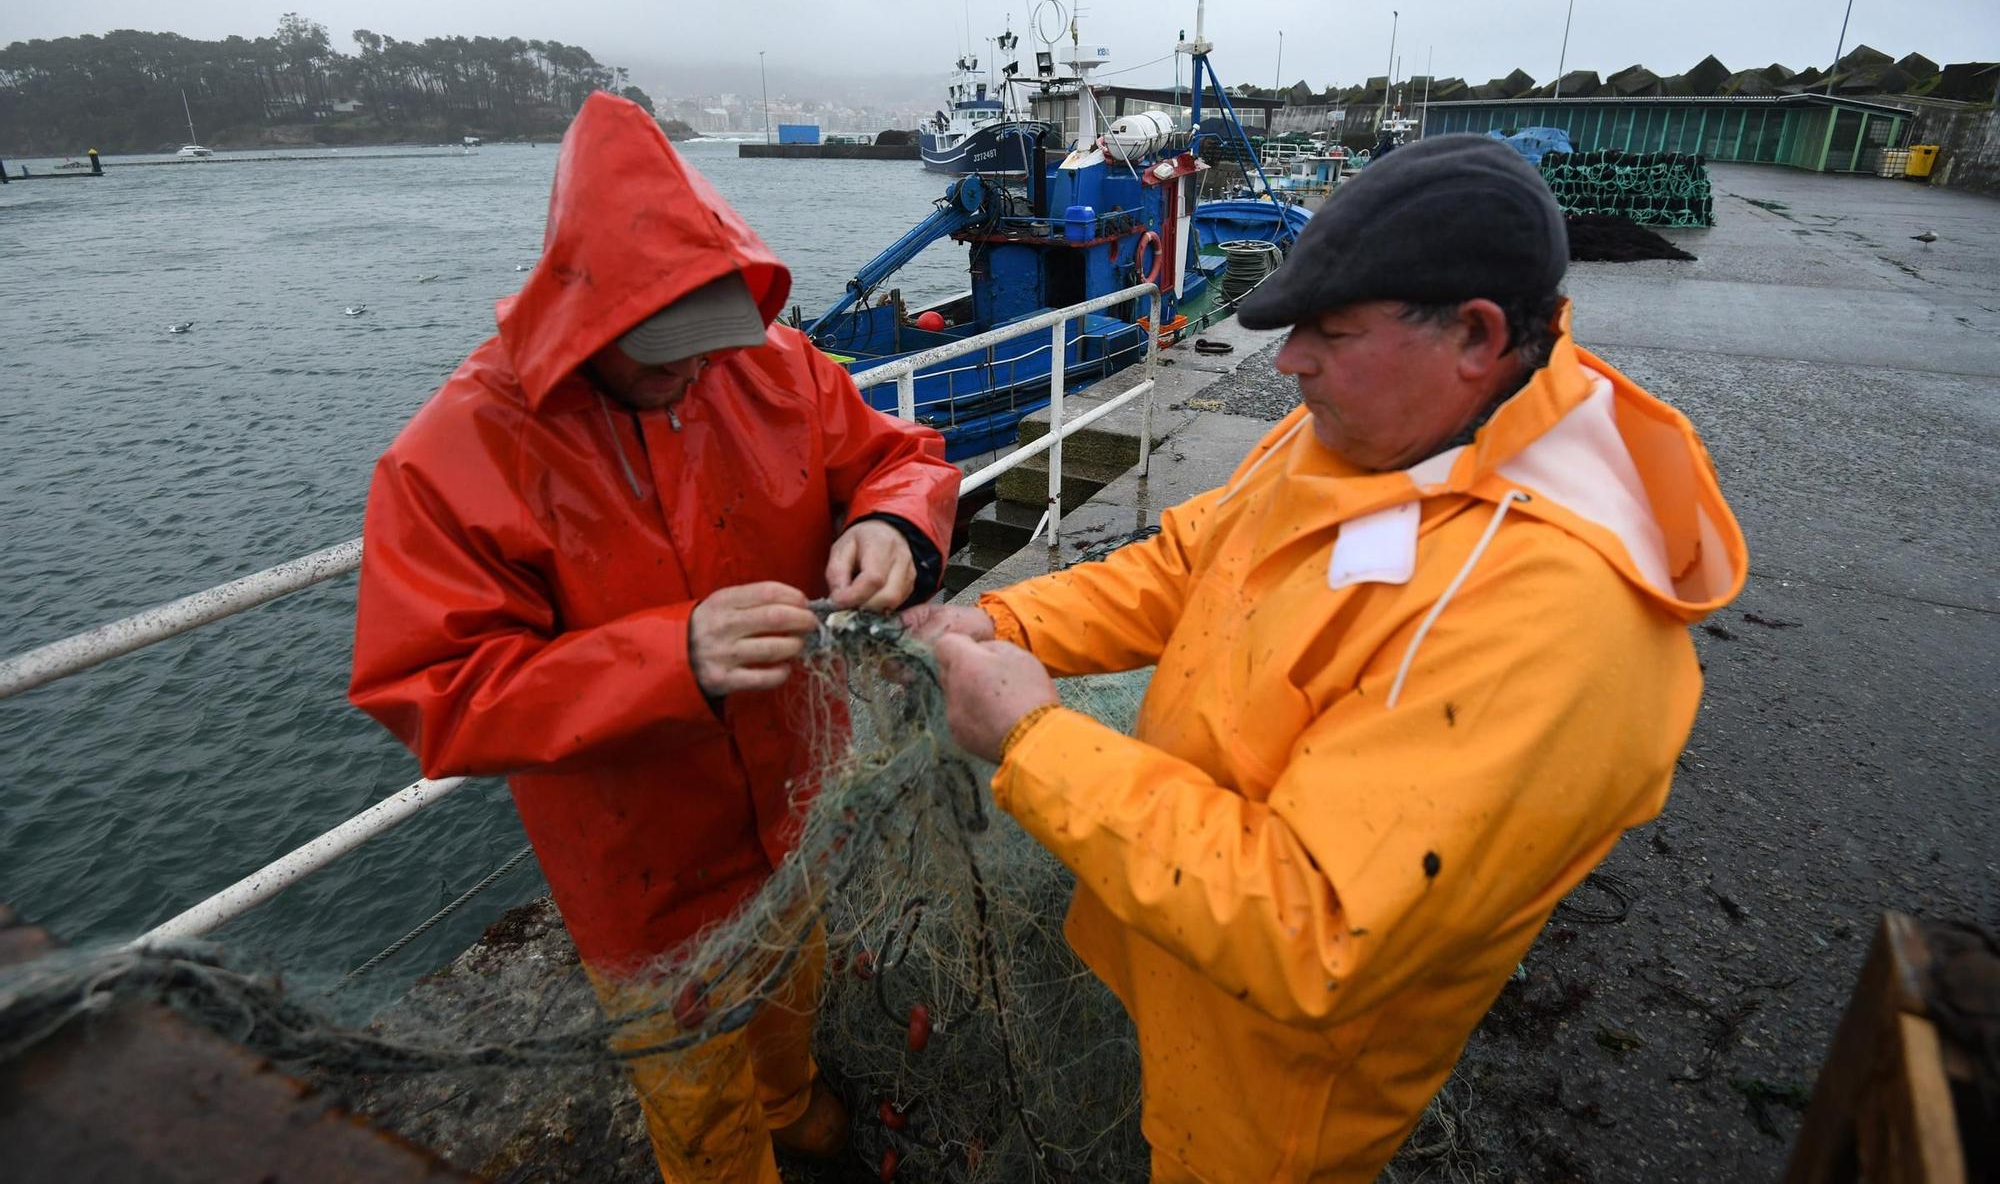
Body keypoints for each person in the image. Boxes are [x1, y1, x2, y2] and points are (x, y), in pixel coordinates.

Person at [911, 134, 1748, 1182]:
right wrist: (1007, 624)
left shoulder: (1554, 616)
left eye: (1330, 330)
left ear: (1476, 338)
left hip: (1280, 1087)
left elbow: (1313, 928)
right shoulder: (1364, 433)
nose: (1290, 357)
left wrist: (1029, 742)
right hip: (1188, 962)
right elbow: (1186, 566)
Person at [349, 91, 959, 1183]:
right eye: (662, 354)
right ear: (587, 329)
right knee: (696, 1107)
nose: (694, 371)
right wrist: (667, 660)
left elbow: (897, 452)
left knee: (789, 999)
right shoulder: (452, 455)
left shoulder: (766, 364)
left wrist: (892, 523)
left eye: (709, 343)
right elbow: (430, 688)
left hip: (794, 810)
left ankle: (799, 1109)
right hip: (639, 876)